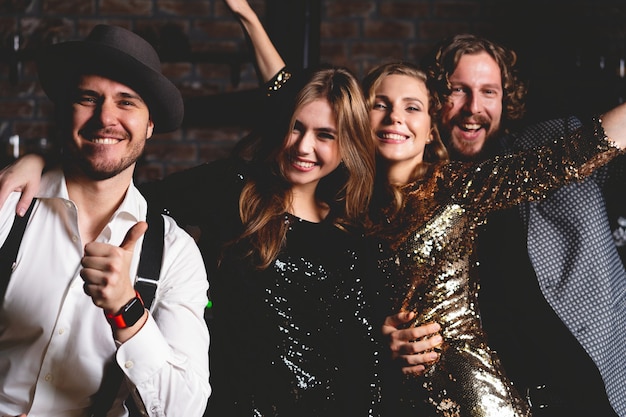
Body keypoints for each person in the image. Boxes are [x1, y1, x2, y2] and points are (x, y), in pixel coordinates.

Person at [0, 4, 383, 416]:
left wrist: (127, 309)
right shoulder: (235, 192)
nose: (304, 146)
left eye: (325, 135)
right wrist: (41, 163)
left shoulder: (354, 233)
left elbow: (359, 350)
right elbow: (120, 182)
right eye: (295, 127)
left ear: (347, 146)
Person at [385, 34, 626, 417]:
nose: (473, 108)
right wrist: (387, 337)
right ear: (431, 101)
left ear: (506, 99)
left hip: (584, 387)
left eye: (489, 92)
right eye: (457, 91)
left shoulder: (549, 143)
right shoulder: (406, 200)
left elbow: (592, 147)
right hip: (484, 399)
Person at [0, 24, 210, 416]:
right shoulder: (8, 204)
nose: (105, 117)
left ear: (149, 125)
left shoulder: (175, 253)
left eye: (127, 102)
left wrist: (127, 311)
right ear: (65, 111)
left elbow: (185, 408)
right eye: (88, 98)